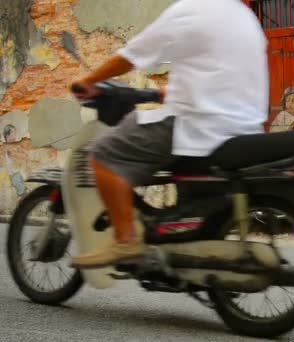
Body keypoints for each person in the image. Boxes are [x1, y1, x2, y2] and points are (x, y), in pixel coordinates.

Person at [69, 0, 269, 268]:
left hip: (198, 126)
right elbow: (217, 73)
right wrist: (169, 93)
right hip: (243, 127)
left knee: (105, 153)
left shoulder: (190, 10)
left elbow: (131, 56)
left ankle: (125, 240)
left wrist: (89, 80)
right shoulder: (245, 17)